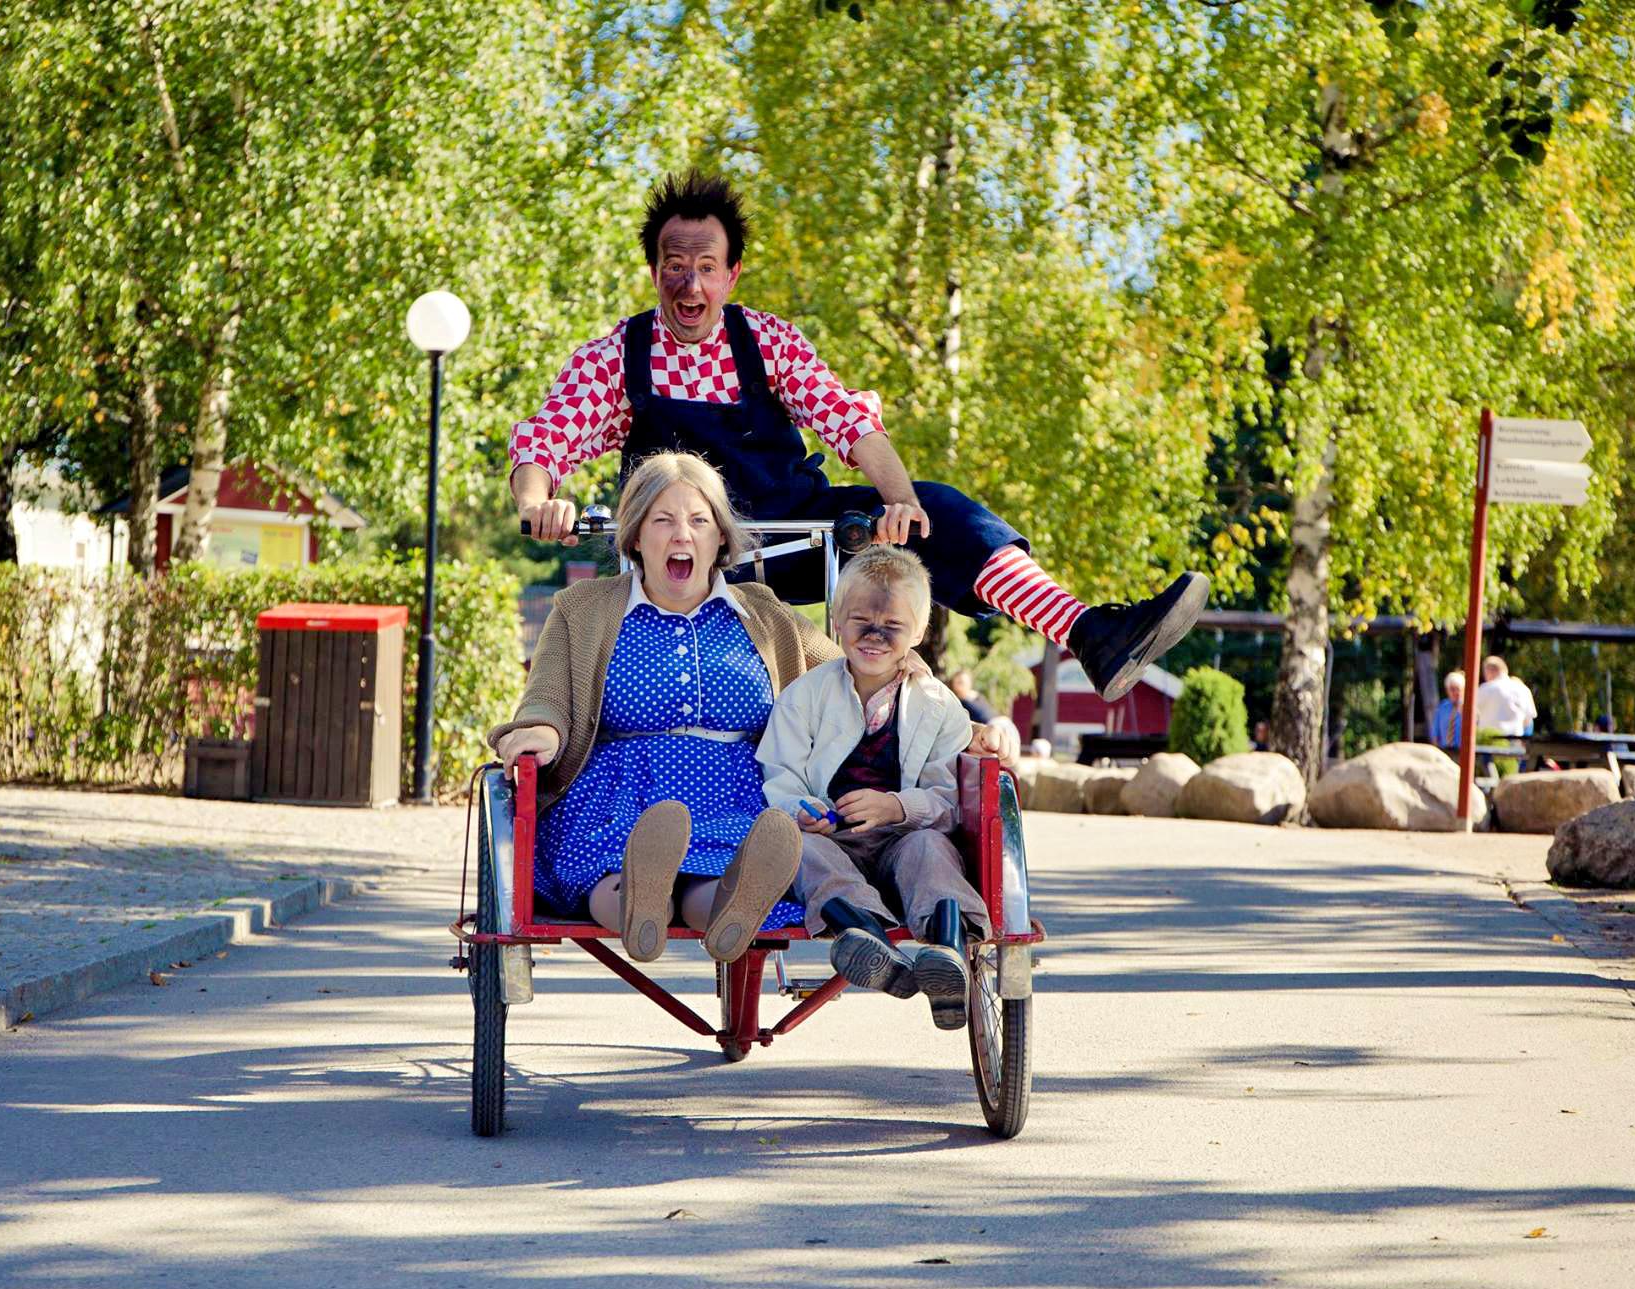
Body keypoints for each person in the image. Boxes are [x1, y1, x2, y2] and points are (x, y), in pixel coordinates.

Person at [511, 171, 1208, 707]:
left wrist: (901, 501)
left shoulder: (769, 341)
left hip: (790, 535)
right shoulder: (615, 356)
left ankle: (1090, 633)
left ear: (731, 274)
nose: (688, 283)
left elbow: (853, 425)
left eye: (705, 267)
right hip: (684, 554)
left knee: (946, 512)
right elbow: (544, 446)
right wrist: (541, 502)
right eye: (673, 265)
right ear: (654, 269)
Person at [488, 451, 1013, 966]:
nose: (681, 535)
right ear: (635, 535)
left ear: (720, 539)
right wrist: (539, 733)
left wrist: (968, 727)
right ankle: (639, 904)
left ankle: (725, 912)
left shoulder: (763, 614)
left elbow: (865, 670)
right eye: (663, 520)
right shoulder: (584, 608)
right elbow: (549, 697)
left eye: (699, 521)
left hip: (737, 792)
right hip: (622, 788)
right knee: (609, 863)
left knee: (722, 874)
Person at [757, 546, 985, 1030]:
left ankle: (945, 949)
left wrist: (897, 806)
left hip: (904, 839)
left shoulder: (940, 707)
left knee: (931, 848)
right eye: (861, 620)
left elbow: (948, 800)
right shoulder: (807, 695)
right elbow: (780, 772)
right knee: (803, 849)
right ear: (836, 621)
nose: (875, 636)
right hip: (832, 836)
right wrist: (805, 809)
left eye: (893, 627)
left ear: (918, 633)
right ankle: (866, 935)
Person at [1477, 656, 1538, 738]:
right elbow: (1528, 720)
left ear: (1489, 671)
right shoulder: (1523, 689)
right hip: (1514, 742)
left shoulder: (1484, 689)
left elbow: (1471, 715)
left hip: (1488, 742)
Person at [1432, 670, 1466, 749]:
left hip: (1462, 750)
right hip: (1444, 750)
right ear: (1447, 690)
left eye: (1457, 689)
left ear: (1463, 689)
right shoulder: (1442, 707)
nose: (1455, 692)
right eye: (1451, 689)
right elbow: (1435, 733)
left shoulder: (1469, 707)